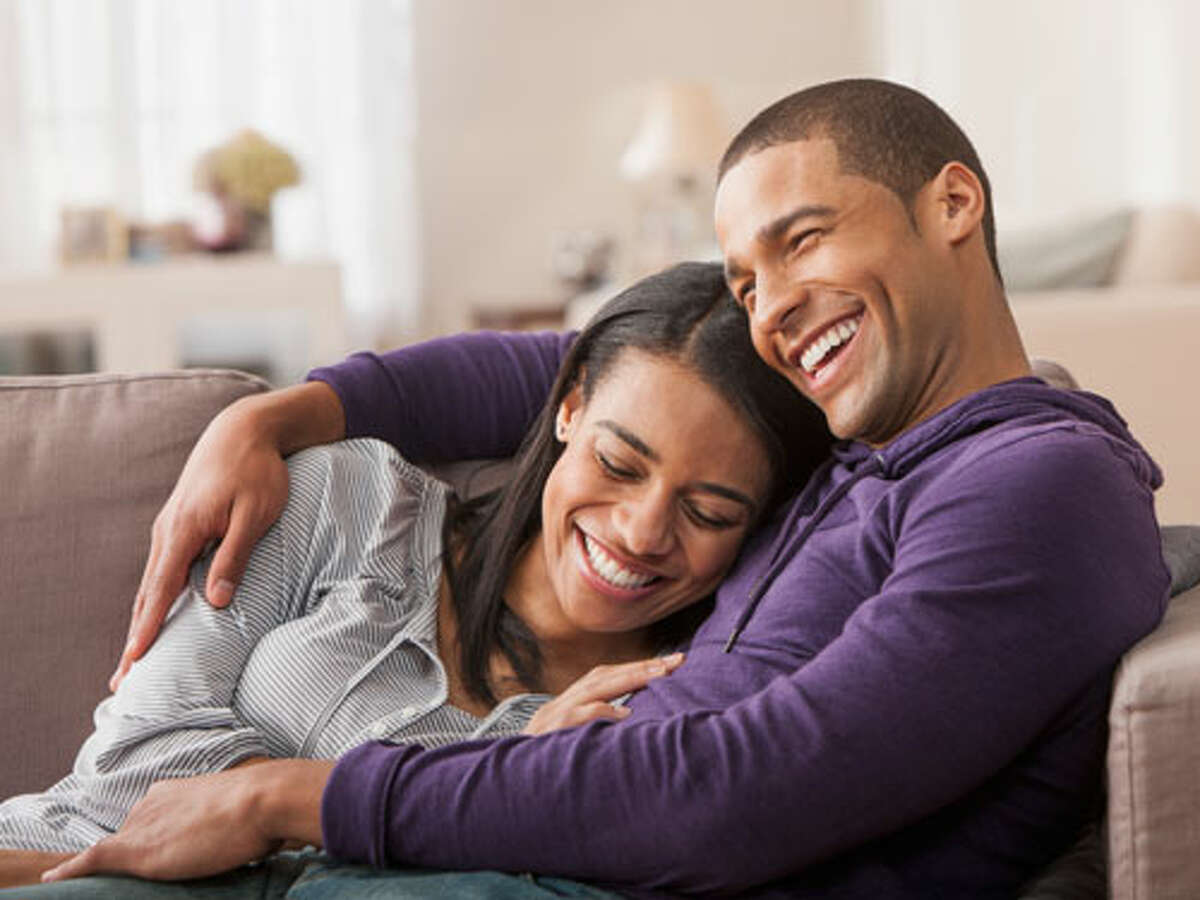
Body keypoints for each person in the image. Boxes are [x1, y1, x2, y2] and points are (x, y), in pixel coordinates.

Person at [35, 78, 1167, 898]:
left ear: (954, 205)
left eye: (803, 240)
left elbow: (741, 797)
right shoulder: (860, 441)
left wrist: (300, 798)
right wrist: (280, 412)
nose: (769, 311)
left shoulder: (1035, 483)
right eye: (744, 276)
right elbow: (617, 372)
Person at [0, 263, 832, 891]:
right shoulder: (346, 499)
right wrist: (483, 781)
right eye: (619, 464)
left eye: (710, 513)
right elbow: (138, 757)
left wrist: (529, 777)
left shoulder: (657, 718)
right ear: (569, 407)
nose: (642, 531)